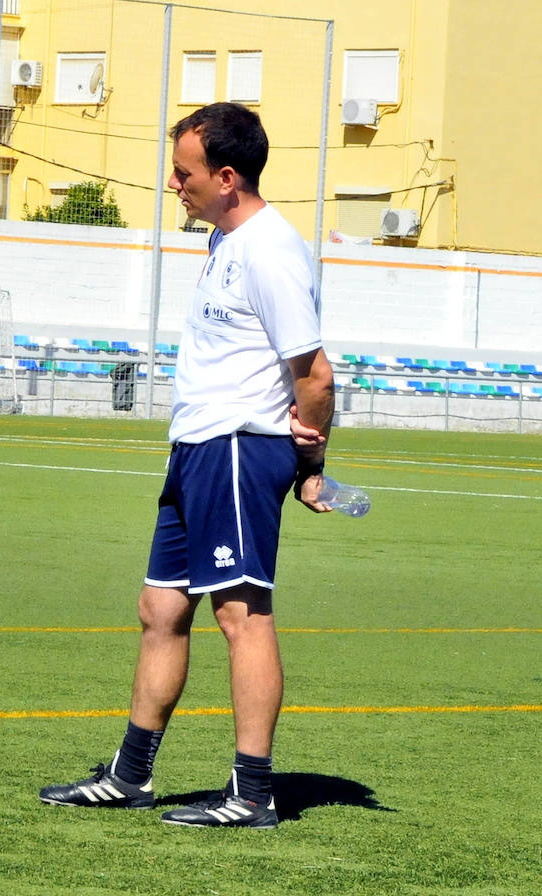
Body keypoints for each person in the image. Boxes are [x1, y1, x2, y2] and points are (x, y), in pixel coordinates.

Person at [39, 103, 335, 829]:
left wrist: (310, 464)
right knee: (162, 609)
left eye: (185, 172)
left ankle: (252, 791)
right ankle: (130, 775)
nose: (175, 184)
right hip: (198, 448)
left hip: (238, 446)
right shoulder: (226, 241)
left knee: (242, 615)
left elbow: (317, 375)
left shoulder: (269, 250)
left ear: (227, 177)